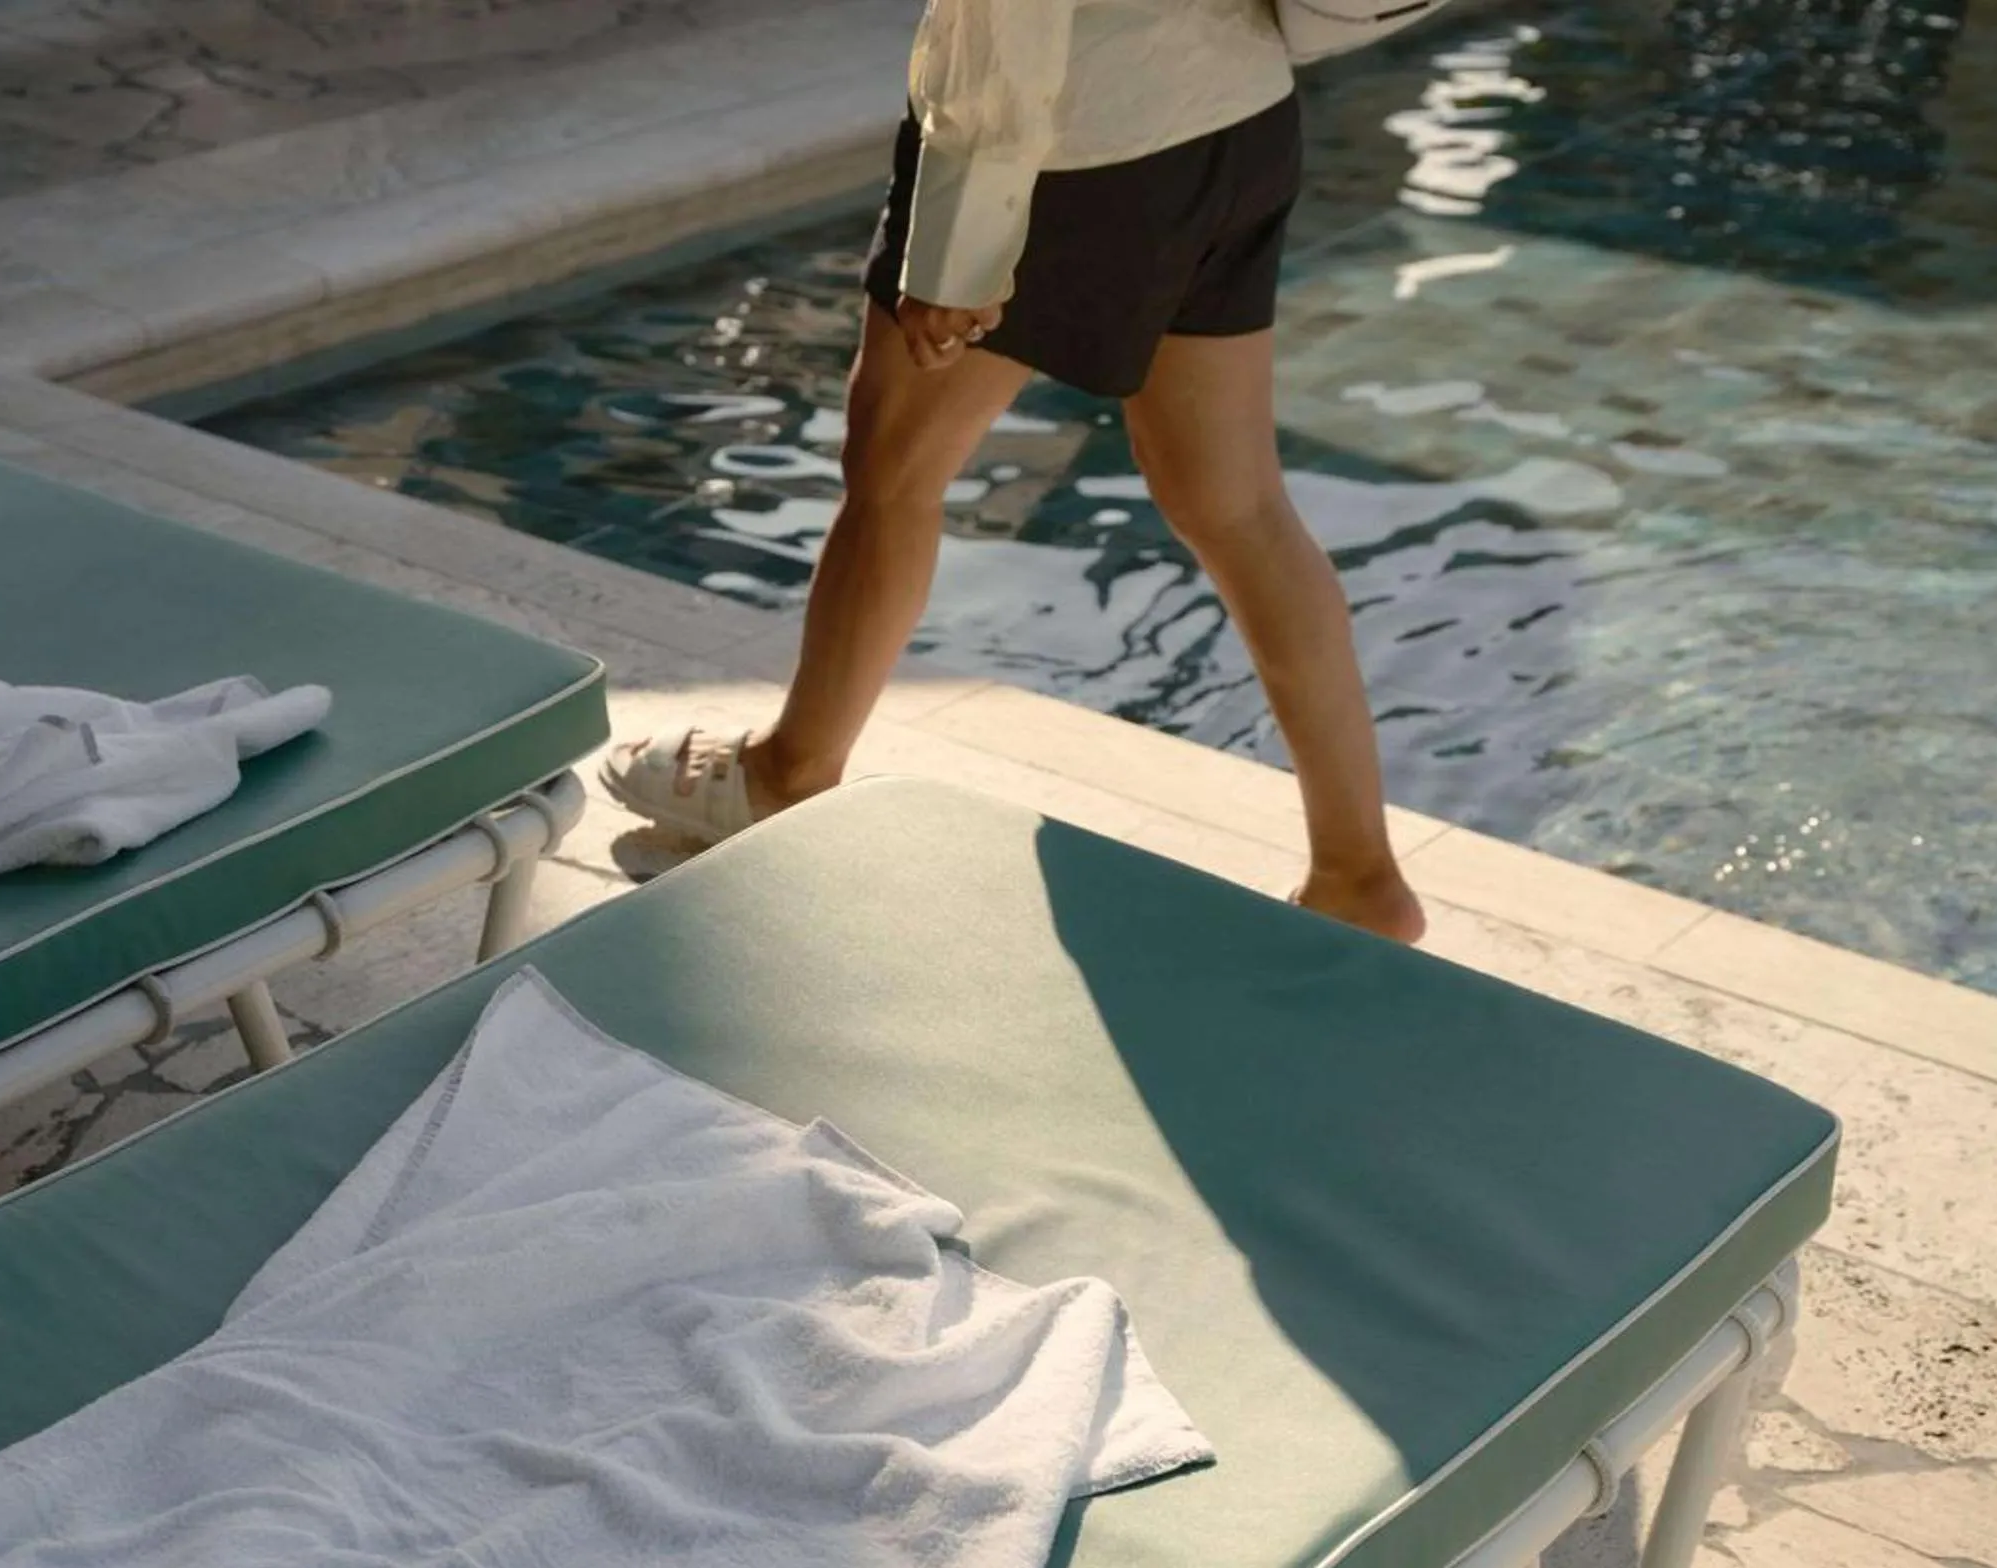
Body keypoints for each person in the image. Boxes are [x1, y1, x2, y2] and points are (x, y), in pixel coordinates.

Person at [601, 0, 1425, 942]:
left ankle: (787, 774)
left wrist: (959, 247)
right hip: (1237, 114)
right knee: (1235, 504)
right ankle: (1360, 872)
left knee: (892, 471)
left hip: (1075, 145)